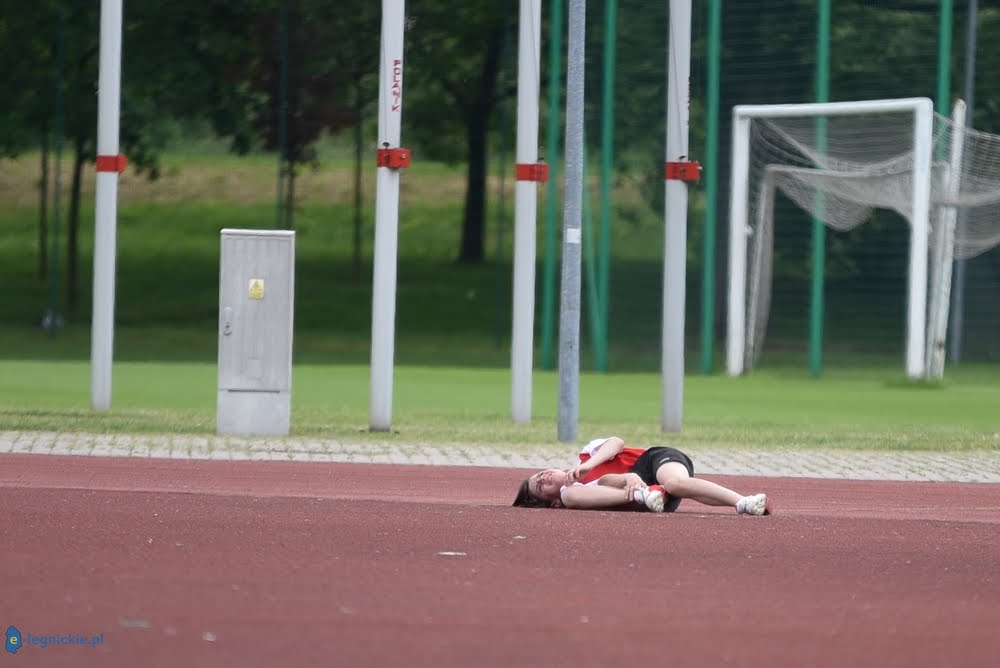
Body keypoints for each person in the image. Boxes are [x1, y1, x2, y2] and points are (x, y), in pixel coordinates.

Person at [512, 436, 771, 515]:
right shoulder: (573, 495)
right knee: (570, 494)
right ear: (551, 502)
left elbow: (616, 442)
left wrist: (590, 464)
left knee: (674, 482)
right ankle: (647, 495)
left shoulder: (586, 455)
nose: (544, 476)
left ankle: (743, 502)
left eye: (540, 474)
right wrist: (630, 482)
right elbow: (613, 483)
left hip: (653, 461)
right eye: (540, 485)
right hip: (648, 498)